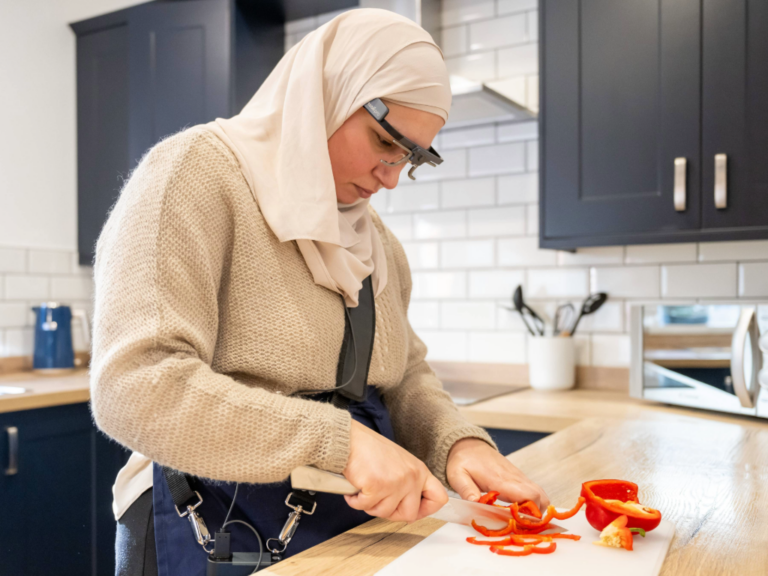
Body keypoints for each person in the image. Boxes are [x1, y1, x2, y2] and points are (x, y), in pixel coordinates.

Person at [91, 9, 549, 576]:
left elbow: (402, 376)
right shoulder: (192, 175)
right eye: (384, 140)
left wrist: (457, 444)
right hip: (210, 529)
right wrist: (345, 444)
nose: (389, 177)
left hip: (347, 532)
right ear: (325, 94)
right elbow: (136, 387)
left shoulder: (376, 242)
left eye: (410, 158)